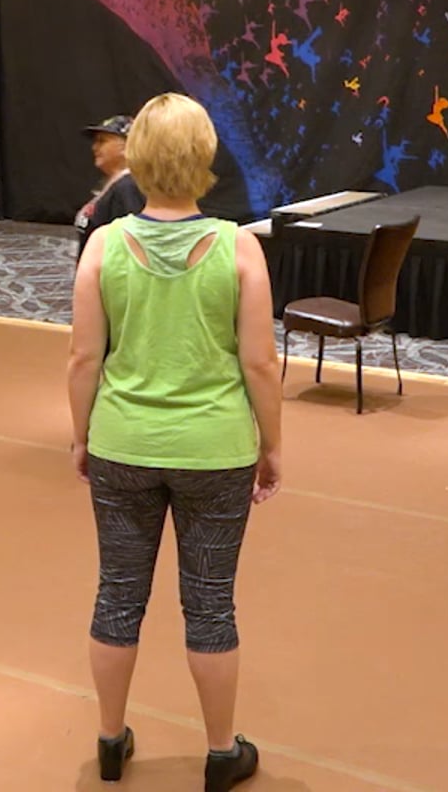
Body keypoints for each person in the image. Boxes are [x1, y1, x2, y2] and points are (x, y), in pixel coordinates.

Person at [67, 92, 283, 790]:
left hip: (122, 445)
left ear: (137, 158)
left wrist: (82, 436)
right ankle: (221, 752)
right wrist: (271, 444)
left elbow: (83, 357)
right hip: (215, 451)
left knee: (117, 595)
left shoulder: (104, 245)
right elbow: (259, 362)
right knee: (211, 603)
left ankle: (110, 738)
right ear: (204, 158)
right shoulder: (239, 247)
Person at [73, 114, 146, 256]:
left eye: (102, 141)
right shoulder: (113, 183)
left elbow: (134, 242)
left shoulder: (129, 187)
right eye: (95, 141)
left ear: (127, 146)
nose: (94, 147)